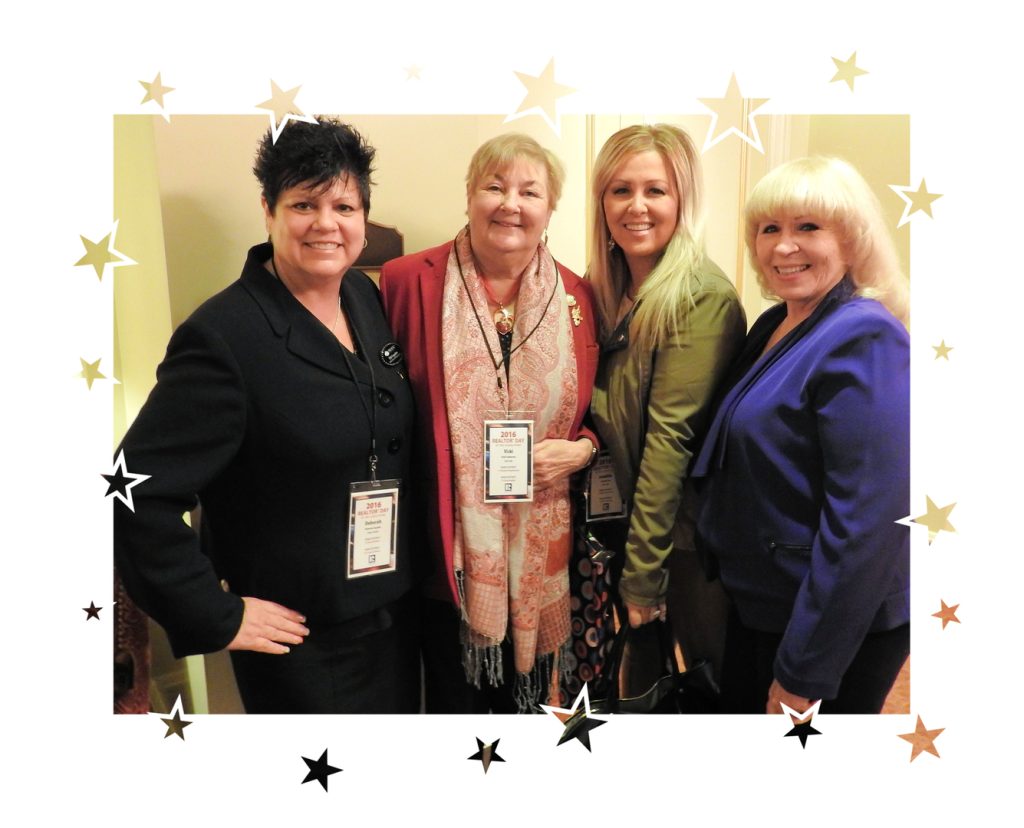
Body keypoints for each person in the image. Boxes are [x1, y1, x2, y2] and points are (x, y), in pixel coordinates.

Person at [114, 117, 419, 713]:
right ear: (268, 210)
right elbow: (133, 493)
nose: (327, 224)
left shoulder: (365, 298)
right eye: (304, 203)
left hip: (392, 620)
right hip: (306, 647)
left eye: (345, 206)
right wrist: (217, 615)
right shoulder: (224, 336)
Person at [378, 133, 599, 713]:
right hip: (443, 545)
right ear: (470, 195)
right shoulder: (407, 281)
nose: (511, 203)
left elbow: (598, 409)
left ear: (550, 208)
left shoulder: (577, 294)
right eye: (494, 186)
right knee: (456, 708)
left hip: (542, 549)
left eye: (530, 191)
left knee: (527, 711)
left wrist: (585, 448)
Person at [691, 156, 910, 714]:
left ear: (851, 238)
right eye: (770, 229)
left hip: (826, 622)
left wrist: (805, 670)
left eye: (808, 228)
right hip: (764, 602)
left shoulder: (863, 336)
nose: (784, 247)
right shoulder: (779, 321)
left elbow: (864, 524)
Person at [587, 124, 745, 690]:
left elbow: (667, 446)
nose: (636, 207)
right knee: (636, 693)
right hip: (623, 529)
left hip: (677, 544)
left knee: (700, 692)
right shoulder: (604, 289)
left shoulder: (699, 296)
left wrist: (643, 577)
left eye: (656, 190)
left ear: (683, 199)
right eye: (620, 190)